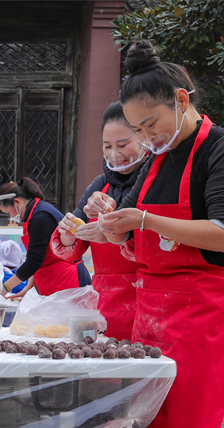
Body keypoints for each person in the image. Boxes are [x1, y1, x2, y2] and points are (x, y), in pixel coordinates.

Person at [68, 40, 224, 428]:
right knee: (142, 426)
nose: (147, 137)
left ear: (182, 100)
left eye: (150, 124)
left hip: (203, 308)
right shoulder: (158, 159)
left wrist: (145, 219)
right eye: (139, 129)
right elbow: (129, 225)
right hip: (151, 310)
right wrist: (106, 224)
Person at [52, 102, 148, 339]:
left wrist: (115, 234)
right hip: (107, 303)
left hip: (151, 297)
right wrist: (68, 231)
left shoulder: (155, 182)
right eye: (107, 146)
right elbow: (72, 244)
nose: (115, 154)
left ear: (146, 140)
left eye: (123, 145)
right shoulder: (98, 186)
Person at [0, 177, 90, 296]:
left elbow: (33, 261)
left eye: (8, 212)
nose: (11, 217)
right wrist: (27, 289)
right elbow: (38, 256)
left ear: (17, 202)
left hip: (67, 281)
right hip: (52, 281)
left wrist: (4, 289)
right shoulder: (32, 215)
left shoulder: (41, 216)